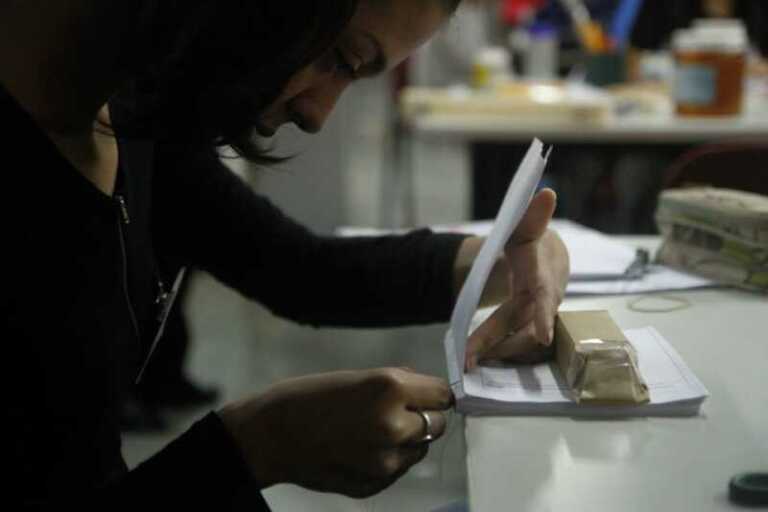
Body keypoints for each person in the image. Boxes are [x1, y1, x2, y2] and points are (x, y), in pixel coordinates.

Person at [0, 0, 570, 509]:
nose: (317, 116)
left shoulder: (130, 115)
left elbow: (299, 269)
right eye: (341, 58)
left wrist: (495, 262)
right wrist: (257, 444)